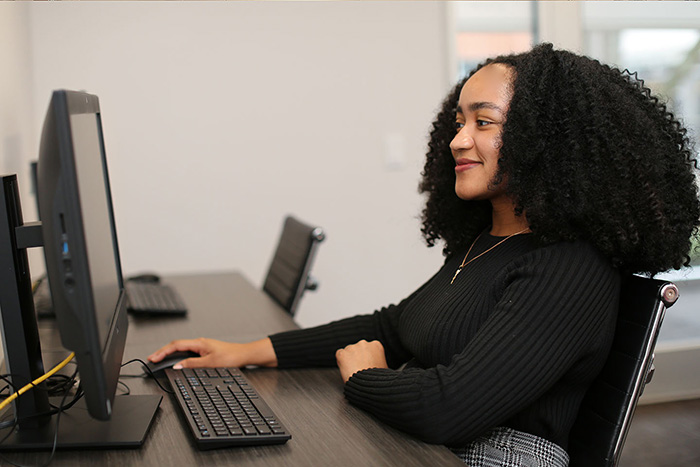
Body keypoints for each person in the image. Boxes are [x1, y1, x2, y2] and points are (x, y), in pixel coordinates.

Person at [149, 43, 700, 467]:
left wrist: (364, 378)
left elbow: (449, 407)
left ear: (546, 141)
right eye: (459, 121)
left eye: (483, 122)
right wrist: (248, 350)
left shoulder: (568, 267)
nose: (458, 140)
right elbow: (393, 326)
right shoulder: (486, 244)